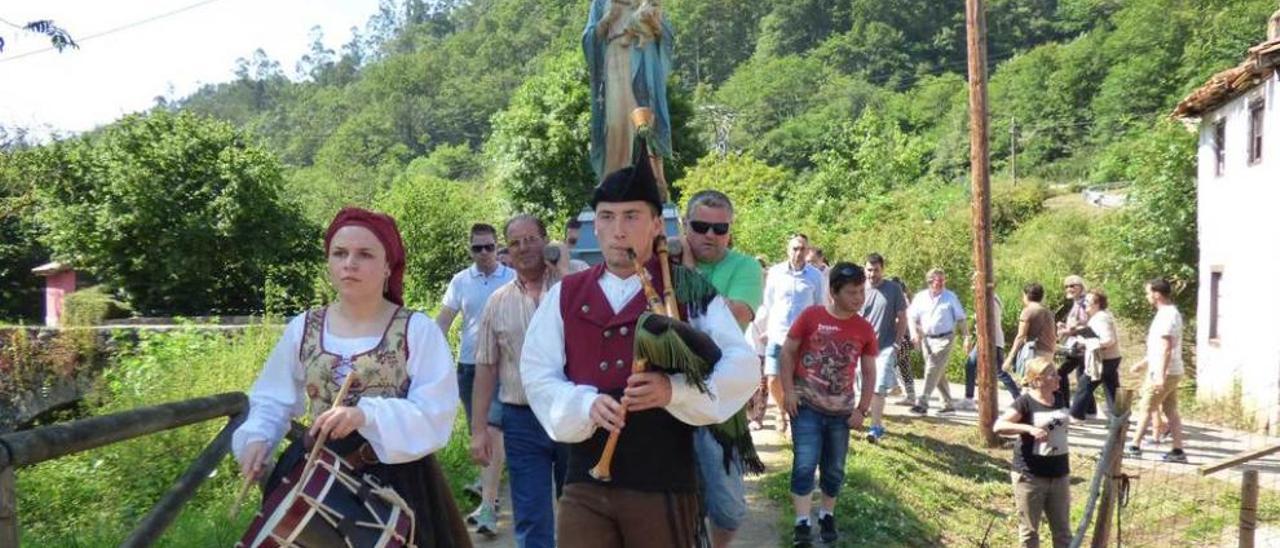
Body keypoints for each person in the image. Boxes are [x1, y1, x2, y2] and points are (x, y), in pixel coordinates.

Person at [519, 151, 757, 548]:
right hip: (584, 479)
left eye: (631, 216)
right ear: (595, 224)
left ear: (653, 224)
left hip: (663, 480)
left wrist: (673, 391)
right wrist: (582, 405)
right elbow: (537, 372)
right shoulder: (566, 294)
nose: (618, 230)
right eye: (607, 217)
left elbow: (743, 366)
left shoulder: (689, 290)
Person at [233, 207, 470, 548]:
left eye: (365, 254)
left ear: (388, 266)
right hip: (312, 474)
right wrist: (258, 438)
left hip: (397, 479)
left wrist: (365, 415)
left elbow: (436, 411)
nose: (349, 263)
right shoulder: (303, 327)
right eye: (339, 253)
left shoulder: (416, 330)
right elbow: (272, 398)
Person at [472, 214, 571, 547]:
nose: (524, 248)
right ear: (507, 250)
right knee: (530, 516)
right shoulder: (497, 303)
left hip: (572, 414)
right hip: (522, 421)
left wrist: (563, 264)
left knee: (580, 510)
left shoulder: (573, 285)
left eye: (531, 239)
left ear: (546, 241)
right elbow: (485, 368)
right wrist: (478, 430)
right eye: (515, 243)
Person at [680, 189, 765, 548]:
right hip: (670, 398)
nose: (710, 235)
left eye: (720, 228)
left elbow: (734, 317)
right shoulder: (661, 260)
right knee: (683, 502)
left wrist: (685, 272)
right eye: (700, 227)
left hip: (721, 400)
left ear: (730, 230)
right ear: (686, 226)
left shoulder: (745, 267)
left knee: (728, 508)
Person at [780, 263, 877, 546]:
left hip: (842, 413)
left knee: (834, 468)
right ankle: (801, 522)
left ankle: (826, 514)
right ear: (834, 292)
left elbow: (870, 371)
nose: (859, 298)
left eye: (862, 291)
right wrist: (788, 391)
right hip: (806, 407)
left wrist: (862, 409)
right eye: (852, 292)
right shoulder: (811, 317)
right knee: (804, 465)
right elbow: (787, 352)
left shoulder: (864, 328)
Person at [438, 223, 515, 526]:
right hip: (469, 366)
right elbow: (443, 320)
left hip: (503, 365)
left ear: (497, 247)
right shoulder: (460, 281)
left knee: (493, 432)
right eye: (477, 248)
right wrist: (428, 354)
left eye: (489, 247)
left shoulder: (511, 278)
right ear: (469, 249)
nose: (483, 253)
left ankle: (488, 506)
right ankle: (488, 495)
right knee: (478, 434)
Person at [583, 0, 674, 182]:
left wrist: (652, 24)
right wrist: (607, 20)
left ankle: (654, 181)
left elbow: (666, 36)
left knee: (647, 119)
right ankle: (613, 179)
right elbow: (589, 38)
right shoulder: (601, 3)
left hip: (644, 58)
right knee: (615, 121)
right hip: (615, 58)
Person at [993, 357, 1072, 548]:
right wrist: (1028, 429)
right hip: (1030, 476)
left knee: (1063, 533)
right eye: (1052, 374)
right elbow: (999, 426)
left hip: (1060, 474)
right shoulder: (1025, 402)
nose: (1058, 378)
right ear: (1037, 380)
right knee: (1030, 533)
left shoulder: (1059, 398)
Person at [758, 234, 827, 432]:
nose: (798, 253)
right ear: (788, 250)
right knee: (772, 379)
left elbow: (819, 307)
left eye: (802, 249)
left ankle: (797, 416)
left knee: (800, 381)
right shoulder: (776, 273)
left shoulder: (815, 276)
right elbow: (769, 302)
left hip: (802, 339)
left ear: (808, 251)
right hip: (777, 334)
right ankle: (781, 411)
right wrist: (766, 329)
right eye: (795, 248)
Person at [1125, 278, 1187, 463]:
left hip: (1164, 373)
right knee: (1170, 409)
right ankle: (1178, 450)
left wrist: (1161, 374)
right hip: (1168, 370)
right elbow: (1158, 348)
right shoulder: (1166, 313)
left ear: (1157, 294)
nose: (1147, 296)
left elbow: (1167, 347)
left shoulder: (1168, 315)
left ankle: (1134, 446)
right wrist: (1143, 363)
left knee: (1146, 407)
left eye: (1148, 293)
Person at [860, 253, 909, 442]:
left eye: (876, 270)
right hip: (862, 347)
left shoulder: (893, 289)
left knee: (878, 386)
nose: (873, 274)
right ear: (864, 270)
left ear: (883, 269)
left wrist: (897, 343)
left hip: (886, 346)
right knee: (862, 386)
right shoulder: (858, 289)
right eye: (869, 270)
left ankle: (875, 427)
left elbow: (902, 318)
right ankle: (860, 418)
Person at [907, 268, 968, 415]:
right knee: (937, 371)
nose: (941, 283)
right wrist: (914, 333)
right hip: (927, 339)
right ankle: (948, 405)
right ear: (930, 282)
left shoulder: (950, 297)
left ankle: (922, 403)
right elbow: (911, 317)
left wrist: (966, 337)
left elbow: (961, 318)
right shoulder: (920, 297)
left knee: (932, 368)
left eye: (943, 280)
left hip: (945, 339)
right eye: (938, 280)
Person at [963, 287, 1021, 408]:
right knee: (970, 364)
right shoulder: (989, 297)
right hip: (985, 340)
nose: (973, 286)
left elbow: (987, 321)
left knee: (998, 371)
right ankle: (969, 398)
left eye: (975, 283)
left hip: (991, 340)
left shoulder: (989, 299)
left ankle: (1019, 399)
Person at [1070, 289, 1121, 420]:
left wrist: (1088, 344)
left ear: (1097, 304)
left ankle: (1076, 415)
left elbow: (1109, 340)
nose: (1084, 303)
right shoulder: (1099, 317)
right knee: (1111, 389)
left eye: (1088, 301)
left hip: (1102, 360)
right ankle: (1120, 416)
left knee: (1085, 384)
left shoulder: (1101, 318)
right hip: (1109, 358)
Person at [1055, 275, 1093, 417]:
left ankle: (1067, 407)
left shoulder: (1083, 303)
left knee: (1062, 373)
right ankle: (1089, 410)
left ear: (1081, 286)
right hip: (1080, 343)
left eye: (1072, 285)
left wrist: (1067, 330)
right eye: (1066, 286)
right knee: (1083, 376)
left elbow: (1086, 325)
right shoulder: (1077, 303)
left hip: (1082, 344)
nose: (1069, 289)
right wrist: (1065, 326)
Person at [1002, 283, 1058, 378]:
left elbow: (1021, 336)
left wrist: (1010, 358)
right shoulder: (1047, 312)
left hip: (1034, 352)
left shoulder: (1028, 311)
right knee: (1041, 384)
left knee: (1030, 385)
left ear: (1026, 295)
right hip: (1049, 351)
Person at [890, 277, 917, 405]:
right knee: (904, 366)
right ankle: (911, 396)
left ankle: (895, 386)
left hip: (902, 339)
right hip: (906, 339)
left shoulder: (901, 300)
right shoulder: (904, 299)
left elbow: (902, 319)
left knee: (889, 364)